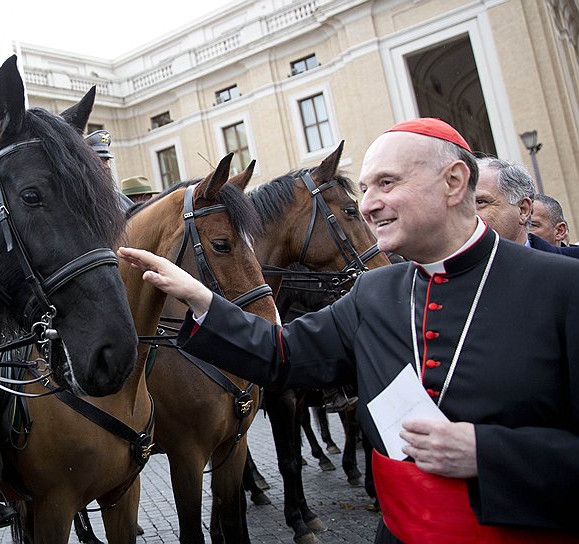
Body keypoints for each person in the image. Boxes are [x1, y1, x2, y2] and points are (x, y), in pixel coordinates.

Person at [118, 118, 579, 543]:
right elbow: (281, 354)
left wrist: (489, 453)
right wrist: (201, 299)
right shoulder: (374, 292)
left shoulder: (563, 288)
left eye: (386, 183)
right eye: (364, 188)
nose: (370, 204)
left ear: (454, 182)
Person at [476, 157, 579, 258]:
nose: (468, 214)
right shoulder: (462, 270)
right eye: (461, 205)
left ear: (523, 209)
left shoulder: (572, 267)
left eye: (480, 202)